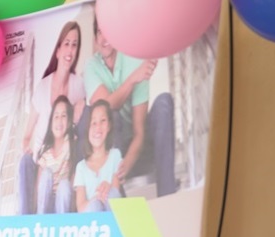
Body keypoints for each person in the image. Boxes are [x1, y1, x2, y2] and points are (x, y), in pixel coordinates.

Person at [84, 17, 176, 197]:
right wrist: (133, 78)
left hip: (138, 148)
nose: (104, 39)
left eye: (109, 31)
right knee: (111, 115)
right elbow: (104, 109)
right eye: (99, 33)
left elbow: (139, 133)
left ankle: (167, 194)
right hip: (112, 148)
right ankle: (117, 200)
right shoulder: (91, 67)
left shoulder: (133, 60)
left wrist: (126, 163)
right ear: (95, 39)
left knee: (164, 101)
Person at [17, 21, 85, 215]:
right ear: (57, 50)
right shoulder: (42, 87)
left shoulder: (78, 85)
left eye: (74, 44)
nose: (70, 49)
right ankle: (26, 218)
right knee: (26, 164)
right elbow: (27, 133)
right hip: (42, 158)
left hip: (64, 161)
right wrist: (27, 149)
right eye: (66, 43)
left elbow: (78, 122)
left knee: (64, 185)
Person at [74, 99, 122, 212]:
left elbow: (115, 192)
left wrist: (109, 187)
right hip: (92, 223)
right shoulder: (81, 167)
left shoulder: (115, 155)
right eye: (93, 123)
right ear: (88, 129)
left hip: (110, 214)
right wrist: (96, 197)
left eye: (103, 121)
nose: (98, 127)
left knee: (112, 194)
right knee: (95, 205)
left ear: (109, 126)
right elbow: (81, 208)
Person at [32, 96, 77, 214]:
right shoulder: (45, 153)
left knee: (64, 185)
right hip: (46, 204)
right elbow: (39, 188)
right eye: (56, 116)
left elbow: (73, 180)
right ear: (51, 122)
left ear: (68, 121)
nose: (59, 121)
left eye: (63, 116)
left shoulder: (71, 145)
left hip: (63, 203)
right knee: (46, 173)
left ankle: (61, 223)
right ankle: (41, 220)